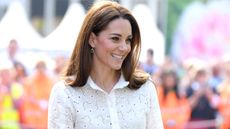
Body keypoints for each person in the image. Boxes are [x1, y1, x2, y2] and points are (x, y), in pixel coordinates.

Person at [48, 1, 163, 129]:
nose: (124, 47)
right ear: (92, 39)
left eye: (128, 40)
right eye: (115, 38)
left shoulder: (145, 88)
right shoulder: (65, 94)